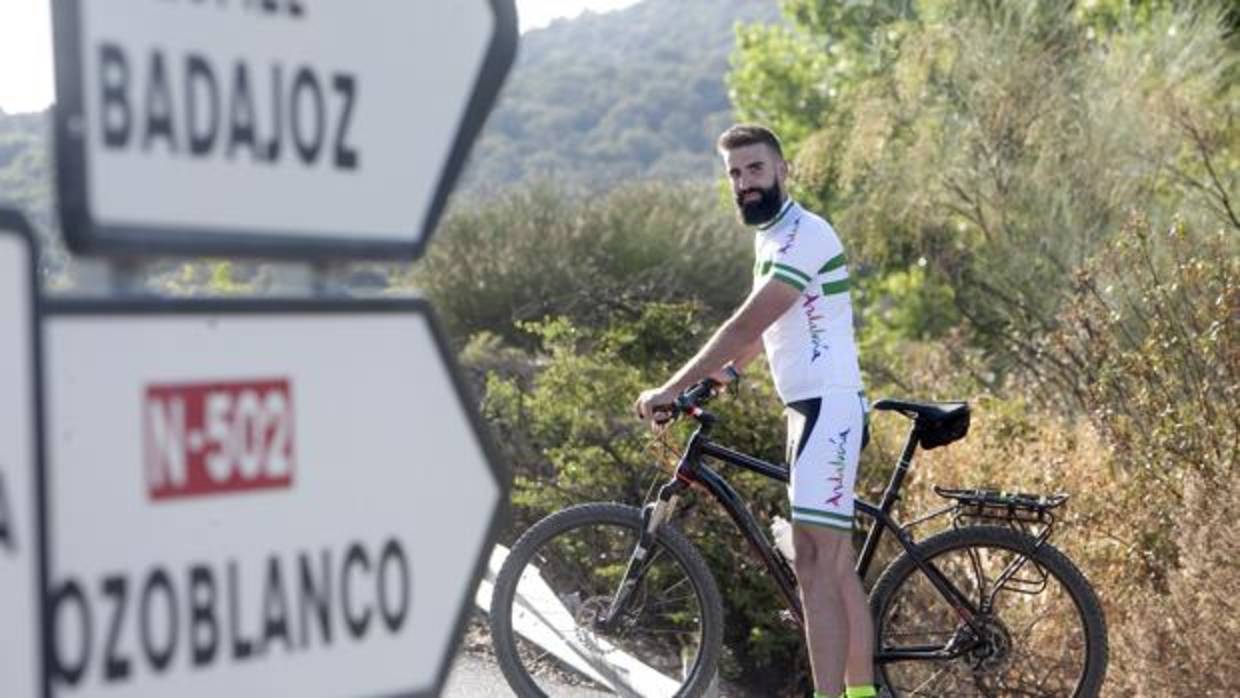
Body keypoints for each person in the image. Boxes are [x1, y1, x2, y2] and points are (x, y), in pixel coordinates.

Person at [633, 124, 875, 698]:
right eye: (735, 175)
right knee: (831, 569)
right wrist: (723, 376)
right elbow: (764, 335)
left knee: (815, 567)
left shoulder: (803, 235)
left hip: (828, 410)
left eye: (755, 170)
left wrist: (670, 388)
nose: (744, 183)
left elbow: (745, 322)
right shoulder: (771, 238)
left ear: (782, 169)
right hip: (809, 411)